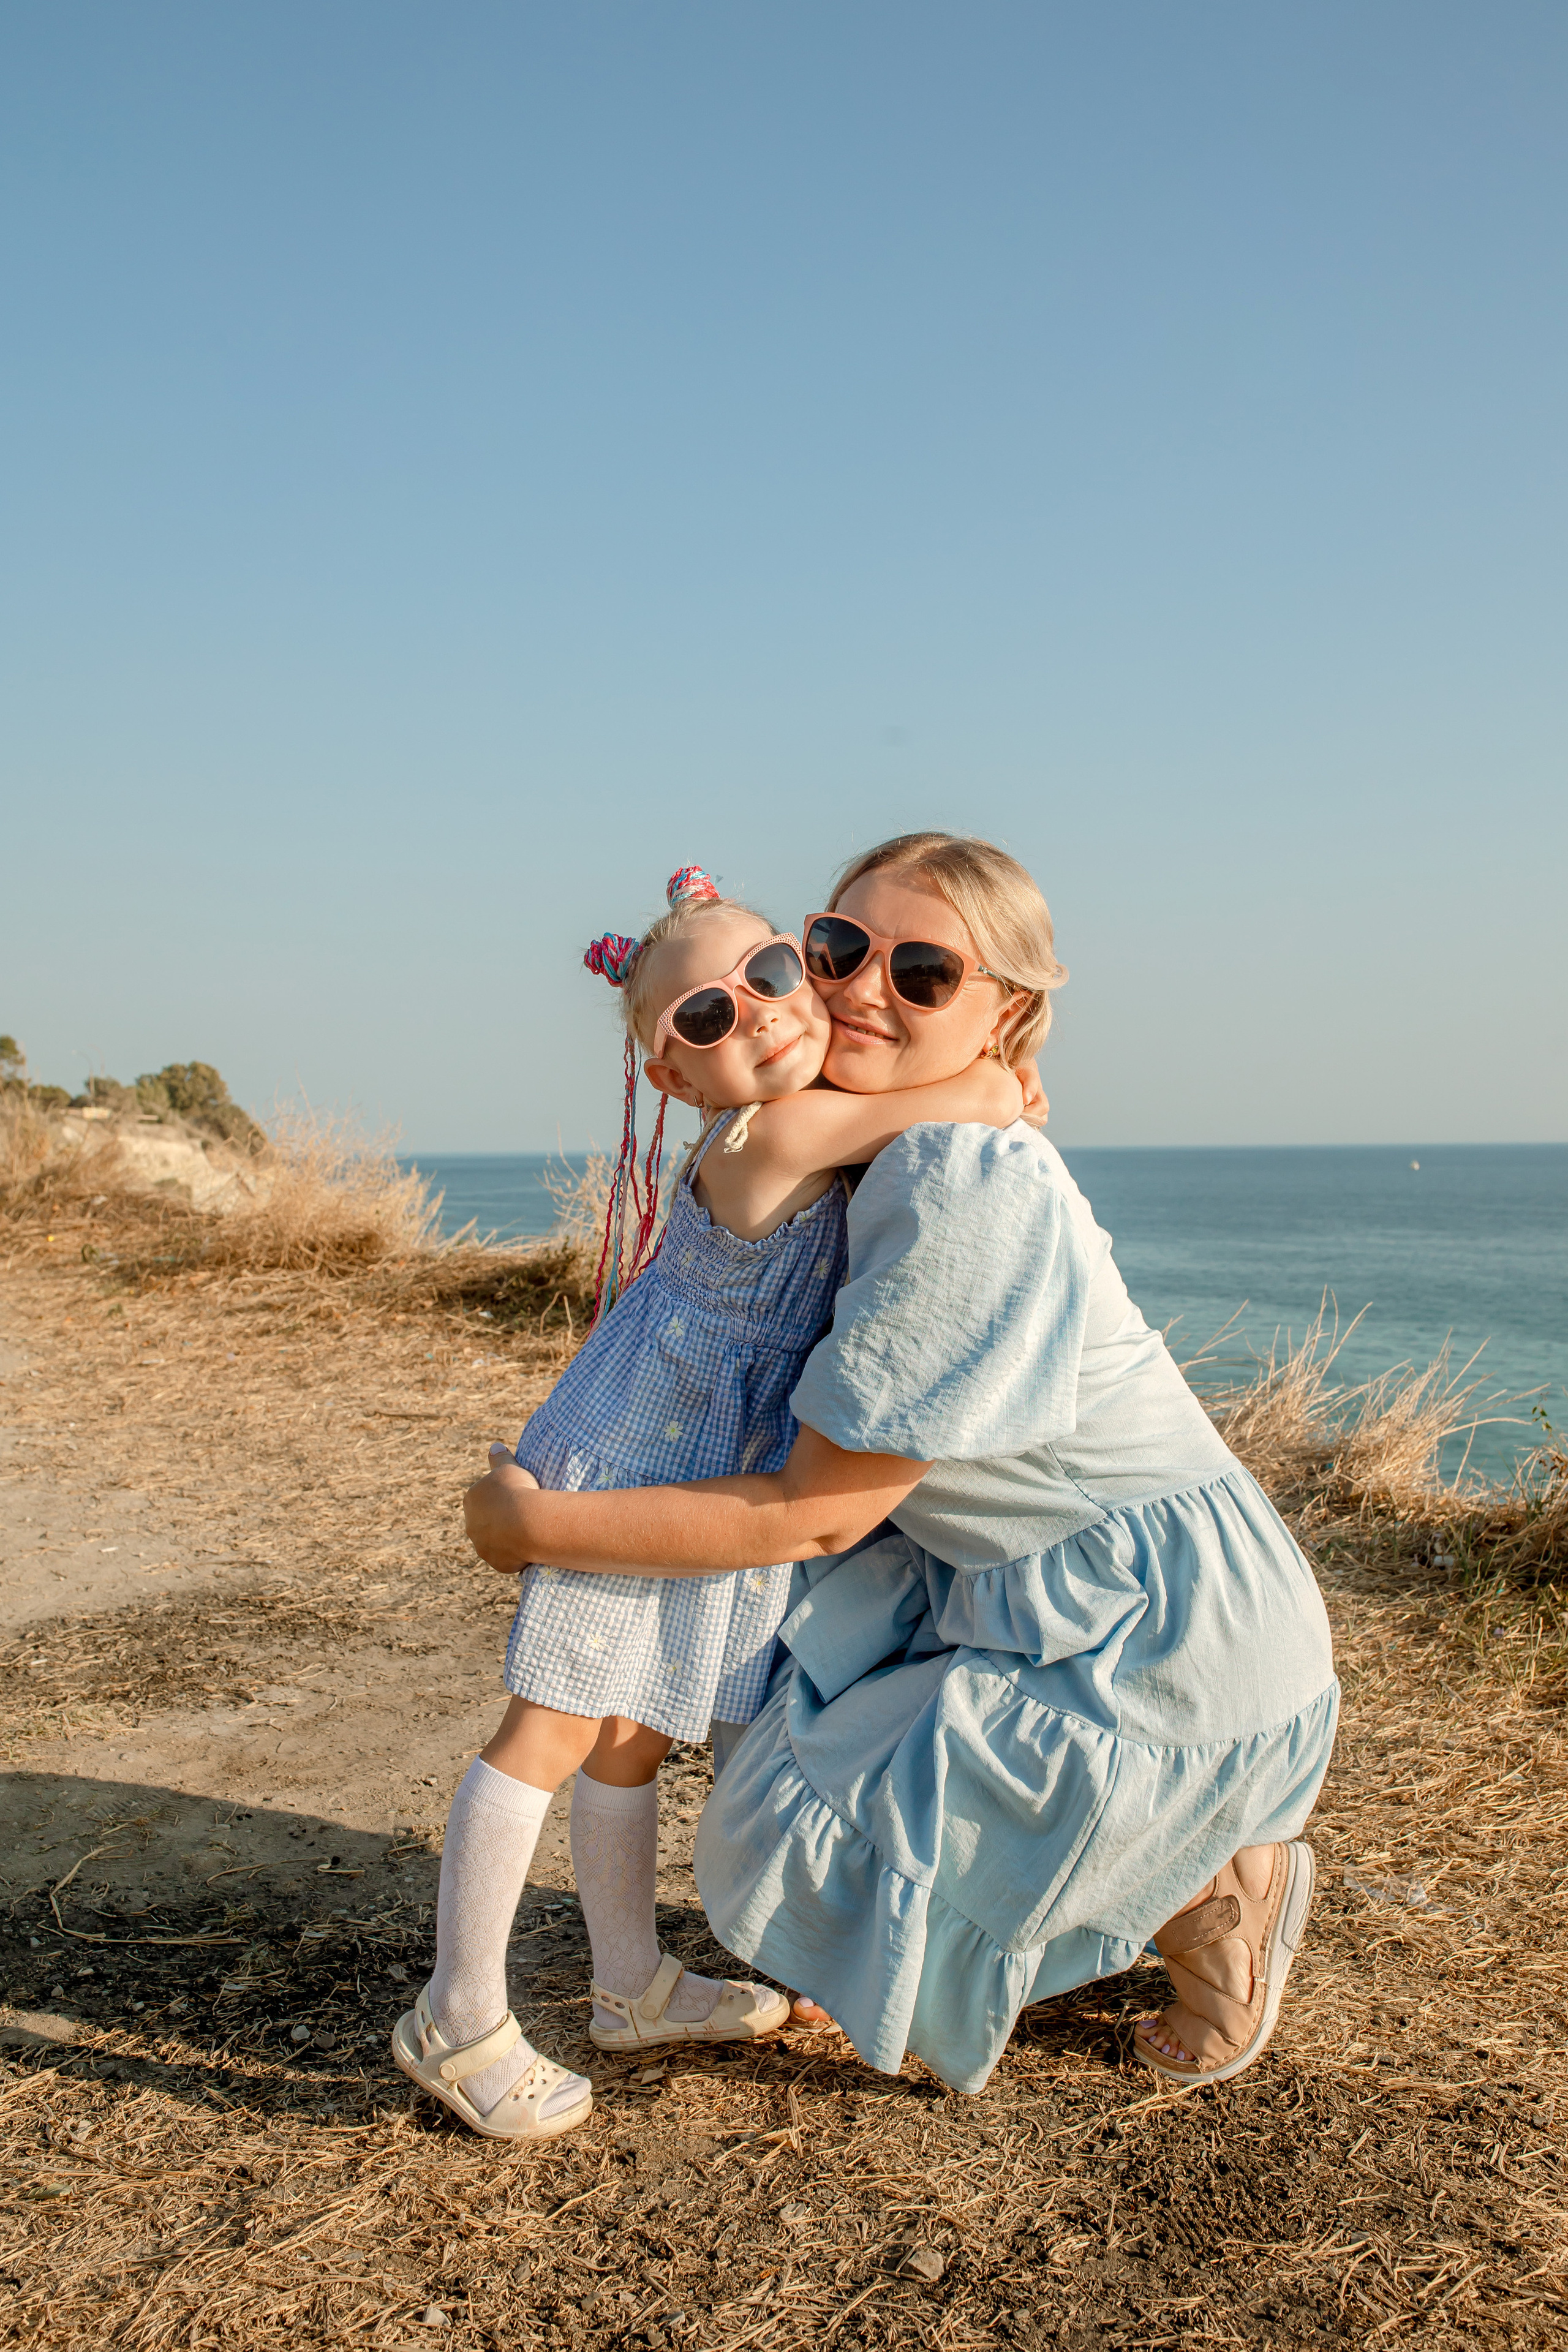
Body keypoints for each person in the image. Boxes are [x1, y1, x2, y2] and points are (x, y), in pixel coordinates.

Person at [464, 831, 1338, 2098]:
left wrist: (538, 1531)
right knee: (774, 1697)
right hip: (1050, 1580)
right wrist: (975, 1082)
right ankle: (1106, 1861)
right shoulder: (872, 1135)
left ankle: (1208, 1888)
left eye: (924, 973)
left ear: (1005, 1009)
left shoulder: (956, 1183)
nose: (860, 989)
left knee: (778, 1800)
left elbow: (815, 1519)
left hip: (1164, 1634)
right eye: (837, 949)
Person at [393, 861, 1025, 2140]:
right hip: (632, 1459)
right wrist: (1000, 1072)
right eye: (704, 1019)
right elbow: (979, 1092)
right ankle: (455, 2014)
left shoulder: (790, 1112)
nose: (757, 1013)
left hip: (681, 1447)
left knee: (633, 1734)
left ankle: (629, 1986)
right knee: (552, 1730)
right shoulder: (773, 1135)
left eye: (774, 971)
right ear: (675, 1081)